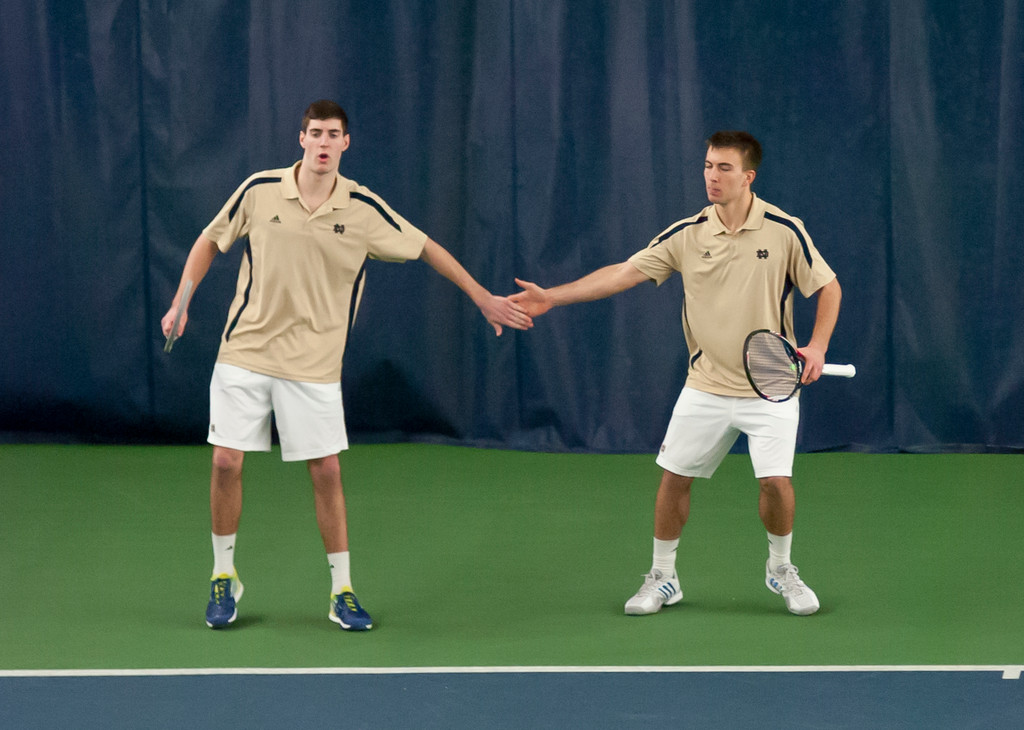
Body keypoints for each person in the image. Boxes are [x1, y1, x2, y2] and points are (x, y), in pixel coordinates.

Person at [162, 99, 532, 631]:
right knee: (225, 462)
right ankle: (224, 576)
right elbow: (209, 240)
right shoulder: (260, 190)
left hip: (314, 364)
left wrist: (481, 297)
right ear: (301, 138)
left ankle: (342, 590)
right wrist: (182, 300)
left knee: (327, 471)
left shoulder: (363, 209)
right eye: (315, 133)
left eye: (333, 134)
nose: (323, 142)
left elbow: (427, 248)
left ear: (345, 143)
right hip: (245, 350)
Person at [512, 131, 841, 616]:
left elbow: (829, 288)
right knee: (674, 478)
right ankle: (663, 577)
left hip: (769, 388)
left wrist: (817, 346)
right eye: (708, 165)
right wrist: (552, 297)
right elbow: (623, 273)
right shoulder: (687, 234)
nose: (712, 175)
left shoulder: (784, 230)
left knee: (775, 482)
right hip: (705, 385)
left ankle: (781, 569)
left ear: (748, 177)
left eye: (724, 168)